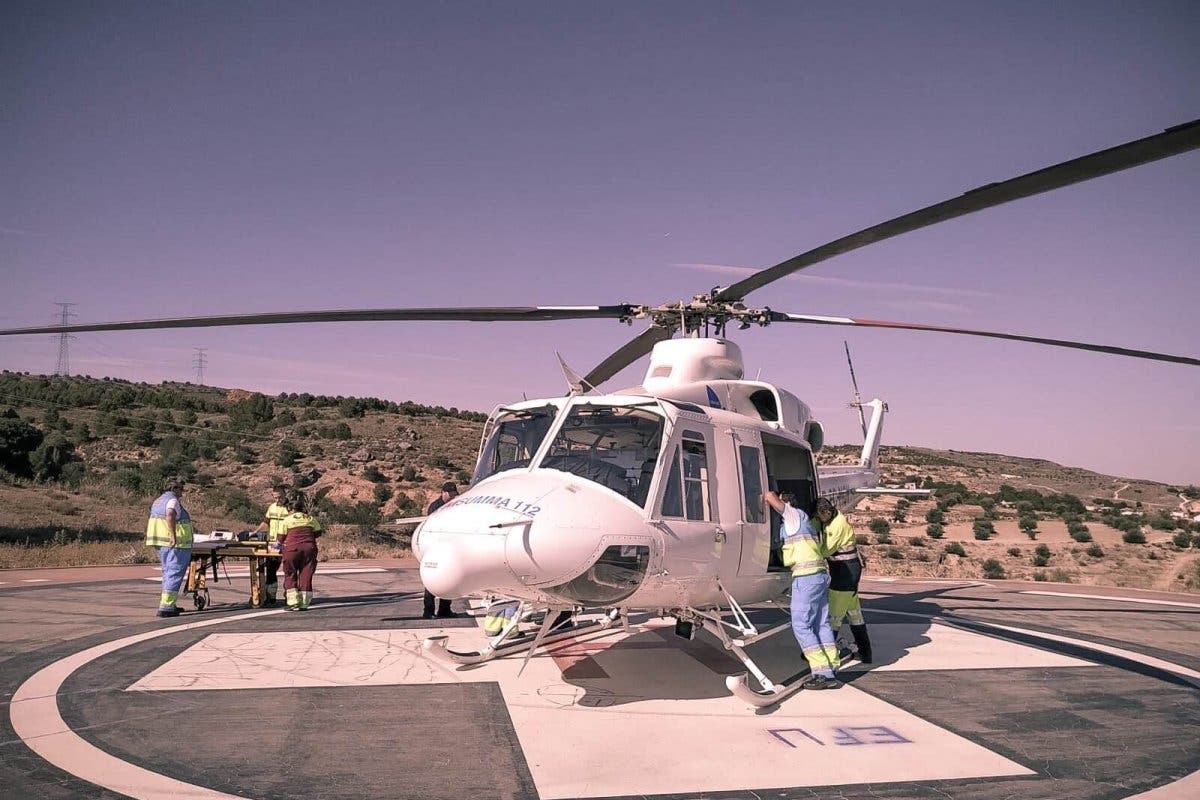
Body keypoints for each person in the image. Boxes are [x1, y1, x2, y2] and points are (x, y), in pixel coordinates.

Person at [764, 489, 840, 690]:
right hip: (819, 576)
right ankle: (831, 665)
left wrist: (761, 491)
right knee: (820, 623)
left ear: (786, 503)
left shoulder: (793, 515)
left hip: (806, 579)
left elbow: (770, 497)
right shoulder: (803, 522)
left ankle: (822, 672)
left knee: (801, 625)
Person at [816, 498, 872, 663]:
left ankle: (824, 656)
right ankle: (865, 653)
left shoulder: (837, 525)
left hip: (844, 574)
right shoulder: (833, 519)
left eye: (820, 516)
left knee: (833, 617)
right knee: (855, 616)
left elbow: (826, 551)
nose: (819, 520)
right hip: (848, 572)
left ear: (826, 512)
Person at [145, 476, 195, 618]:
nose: (182, 492)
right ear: (174, 488)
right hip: (175, 544)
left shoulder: (158, 500)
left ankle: (168, 603)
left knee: (167, 572)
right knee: (174, 572)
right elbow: (170, 515)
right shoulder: (172, 500)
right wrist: (173, 535)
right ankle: (167, 606)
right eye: (181, 488)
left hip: (161, 543)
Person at [279, 490, 322, 611]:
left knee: (290, 573)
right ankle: (304, 603)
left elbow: (281, 536)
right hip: (309, 548)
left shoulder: (286, 520)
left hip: (292, 549)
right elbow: (318, 532)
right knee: (306, 574)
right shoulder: (310, 518)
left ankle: (293, 602)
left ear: (291, 509)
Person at [423, 482, 460, 619]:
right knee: (431, 582)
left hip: (449, 547)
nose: (452, 496)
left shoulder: (454, 505)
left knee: (448, 579)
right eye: (450, 493)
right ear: (443, 492)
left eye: (454, 493)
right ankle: (428, 611)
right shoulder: (436, 507)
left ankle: (444, 610)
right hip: (435, 546)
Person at [253, 484, 290, 606]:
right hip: (273, 543)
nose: (278, 500)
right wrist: (255, 532)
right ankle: (271, 596)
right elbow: (266, 522)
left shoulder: (290, 508)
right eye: (275, 497)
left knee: (289, 570)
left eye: (280, 497)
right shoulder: (272, 507)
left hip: (287, 542)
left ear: (285, 495)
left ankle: (289, 595)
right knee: (271, 570)